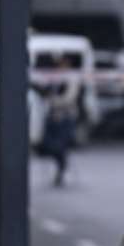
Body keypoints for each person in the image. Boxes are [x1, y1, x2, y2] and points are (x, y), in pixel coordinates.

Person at [41, 54, 80, 187]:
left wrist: (53, 100)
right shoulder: (55, 77)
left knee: (60, 146)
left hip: (65, 115)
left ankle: (61, 168)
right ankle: (61, 165)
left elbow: (70, 97)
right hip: (52, 115)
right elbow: (46, 91)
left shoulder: (71, 77)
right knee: (48, 144)